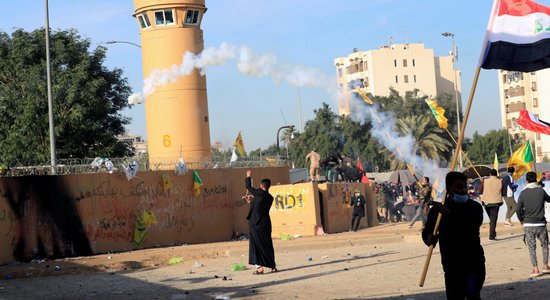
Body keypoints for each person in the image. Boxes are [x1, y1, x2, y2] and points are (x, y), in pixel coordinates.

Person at [423, 171, 485, 299]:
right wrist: (429, 238)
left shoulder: (474, 207)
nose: (463, 190)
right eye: (458, 187)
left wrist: (449, 213)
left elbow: (474, 222)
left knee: (472, 294)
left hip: (473, 261)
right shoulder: (438, 211)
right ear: (449, 189)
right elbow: (428, 231)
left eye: (464, 186)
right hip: (452, 264)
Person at [516, 171, 550, 277]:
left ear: (527, 180)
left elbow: (518, 209)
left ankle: (535, 269)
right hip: (540, 224)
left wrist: (521, 219)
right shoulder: (541, 191)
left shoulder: (523, 193)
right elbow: (549, 200)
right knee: (544, 245)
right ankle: (545, 266)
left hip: (528, 224)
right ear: (536, 179)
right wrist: (541, 189)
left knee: (532, 247)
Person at [245, 170, 276, 274]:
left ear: (262, 185)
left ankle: (259, 267)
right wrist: (251, 202)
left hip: (256, 223)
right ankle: (272, 266)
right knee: (267, 244)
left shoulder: (259, 194)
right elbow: (260, 206)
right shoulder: (270, 198)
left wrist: (248, 176)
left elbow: (249, 187)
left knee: (256, 244)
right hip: (266, 223)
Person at [479, 169, 503, 241]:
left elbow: (480, 191)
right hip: (496, 202)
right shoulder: (500, 181)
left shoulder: (485, 181)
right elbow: (503, 191)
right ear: (496, 174)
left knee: (492, 219)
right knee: (493, 220)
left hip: (486, 202)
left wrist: (481, 182)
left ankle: (493, 233)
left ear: (490, 174)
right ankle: (491, 236)